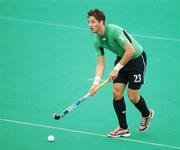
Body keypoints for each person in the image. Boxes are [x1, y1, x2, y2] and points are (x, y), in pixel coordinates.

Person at [87, 9, 154, 137]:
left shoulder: (114, 31)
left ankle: (147, 114)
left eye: (93, 22)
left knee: (133, 96)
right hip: (121, 59)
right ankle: (123, 128)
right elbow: (100, 63)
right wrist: (95, 83)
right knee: (116, 92)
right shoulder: (97, 41)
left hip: (136, 59)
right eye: (89, 22)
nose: (90, 25)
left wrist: (116, 69)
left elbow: (130, 50)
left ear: (101, 22)